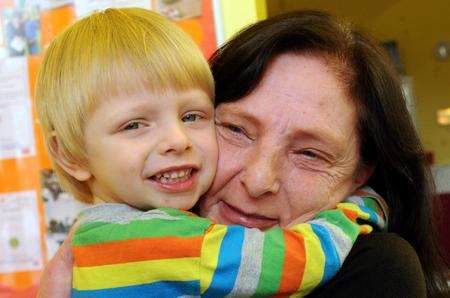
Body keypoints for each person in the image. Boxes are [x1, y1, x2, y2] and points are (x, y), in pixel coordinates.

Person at [38, 10, 449, 298]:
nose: (258, 180)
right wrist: (354, 214)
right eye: (235, 129)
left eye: (309, 153)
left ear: (360, 174)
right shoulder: (143, 239)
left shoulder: (375, 269)